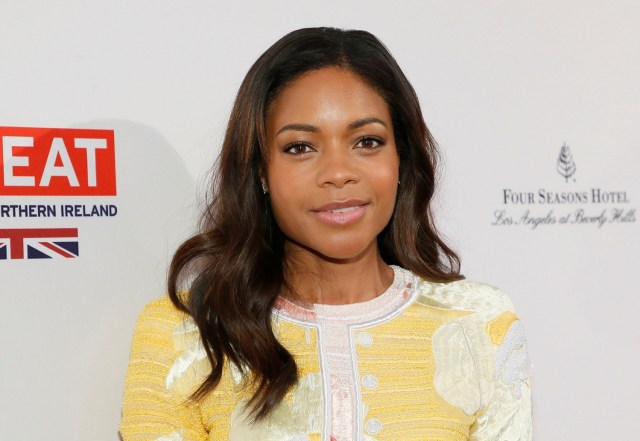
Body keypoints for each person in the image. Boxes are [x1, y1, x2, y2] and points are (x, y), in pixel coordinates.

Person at [119, 27, 532, 441]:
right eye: (300, 147)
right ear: (261, 170)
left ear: (401, 159)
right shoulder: (186, 334)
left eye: (367, 141)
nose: (338, 173)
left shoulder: (479, 324)